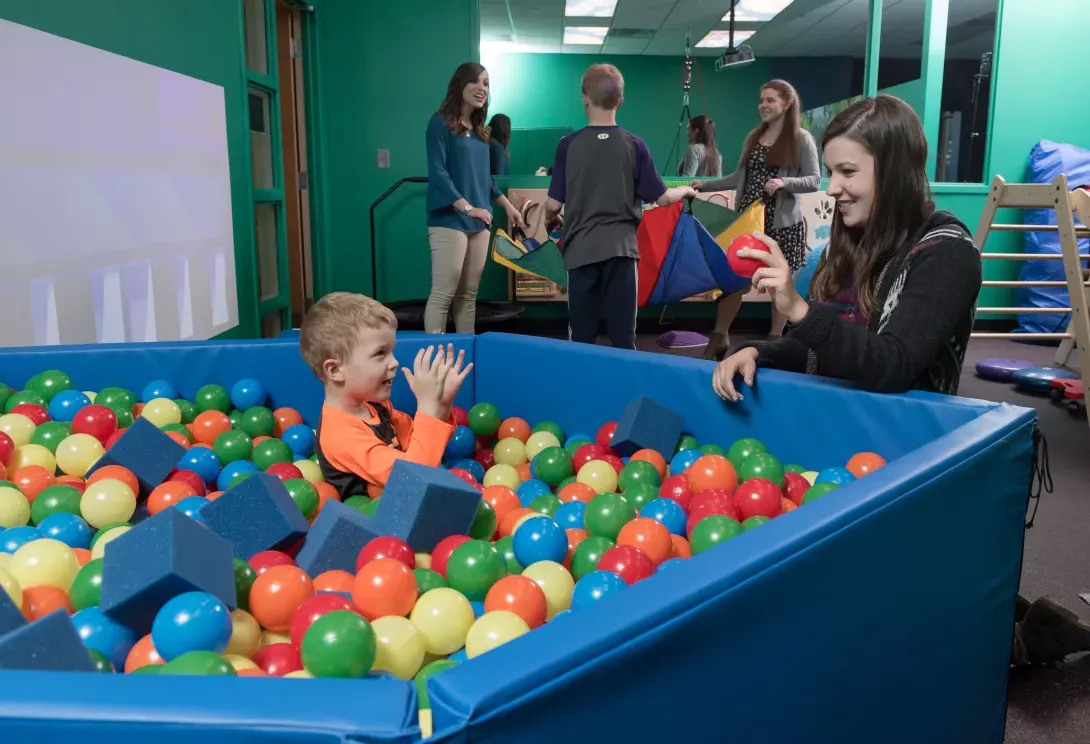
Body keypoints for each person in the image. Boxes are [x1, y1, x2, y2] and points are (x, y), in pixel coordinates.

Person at [710, 94, 982, 402]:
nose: (831, 188)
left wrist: (798, 309)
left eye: (848, 172)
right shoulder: (842, 247)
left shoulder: (948, 252)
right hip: (833, 420)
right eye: (830, 171)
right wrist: (758, 351)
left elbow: (894, 366)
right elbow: (820, 351)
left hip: (906, 438)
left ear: (895, 172)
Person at [543, 64, 695, 351]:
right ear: (620, 103)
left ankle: (582, 391)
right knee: (624, 338)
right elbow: (663, 198)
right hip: (621, 254)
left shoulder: (568, 145)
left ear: (584, 99)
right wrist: (686, 189)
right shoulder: (634, 146)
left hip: (580, 254)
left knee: (581, 338)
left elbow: (553, 205)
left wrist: (547, 220)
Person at [299, 292, 472, 499]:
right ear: (335, 371)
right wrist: (427, 407)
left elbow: (424, 445)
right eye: (380, 353)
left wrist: (441, 405)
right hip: (374, 526)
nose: (394, 362)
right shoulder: (341, 433)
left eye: (392, 351)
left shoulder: (374, 407)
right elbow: (414, 479)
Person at [693, 80, 820, 359]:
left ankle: (775, 341)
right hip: (749, 222)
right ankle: (719, 336)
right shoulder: (754, 136)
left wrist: (784, 181)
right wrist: (704, 185)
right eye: (761, 100)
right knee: (733, 280)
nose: (763, 105)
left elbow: (814, 179)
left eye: (770, 100)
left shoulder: (801, 139)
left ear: (787, 103)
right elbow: (739, 177)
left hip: (782, 225)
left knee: (779, 284)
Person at [425, 63, 526, 335]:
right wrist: (468, 208)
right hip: (449, 218)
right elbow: (438, 173)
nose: (482, 88)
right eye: (476, 82)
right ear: (460, 85)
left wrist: (508, 207)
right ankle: (434, 358)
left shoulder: (482, 133)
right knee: (444, 291)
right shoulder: (440, 123)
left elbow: (486, 181)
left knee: (469, 295)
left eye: (487, 83)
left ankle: (464, 354)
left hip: (479, 221)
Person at [677, 114, 722, 178]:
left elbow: (687, 180)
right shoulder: (717, 153)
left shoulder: (694, 150)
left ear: (696, 131)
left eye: (688, 129)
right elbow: (719, 181)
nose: (686, 133)